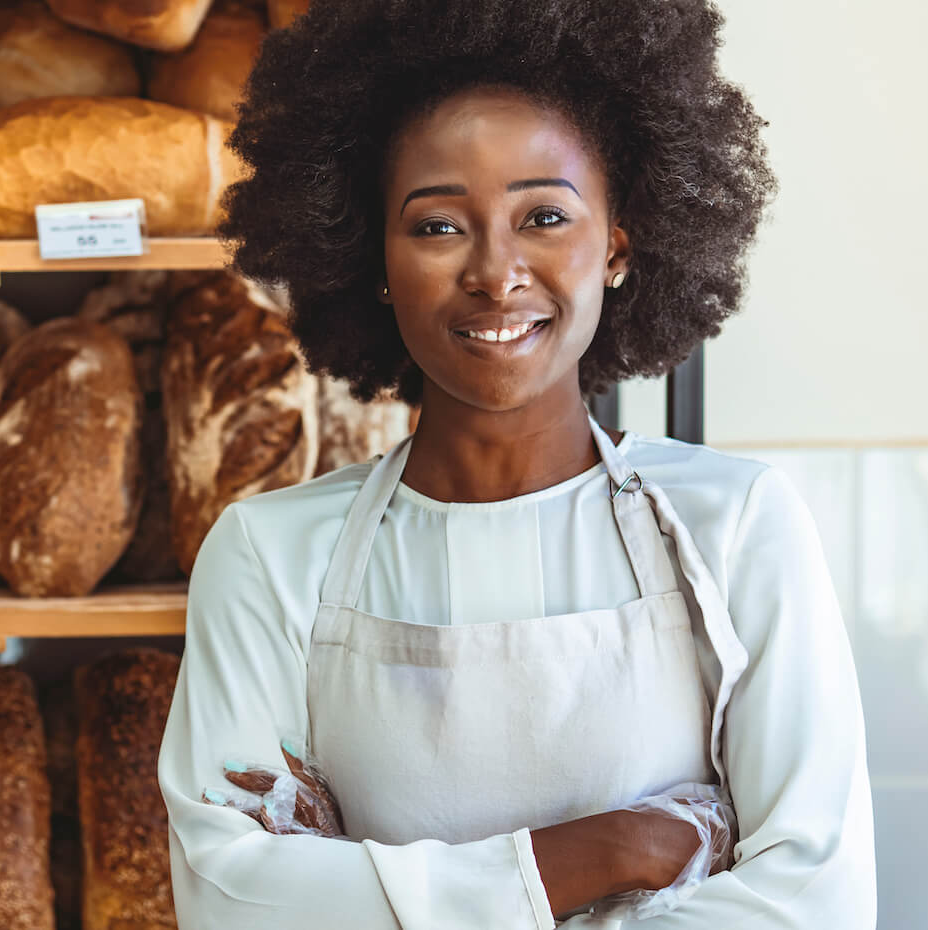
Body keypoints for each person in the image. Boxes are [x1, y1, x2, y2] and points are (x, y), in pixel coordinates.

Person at [155, 0, 877, 926]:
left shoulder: (736, 527)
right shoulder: (268, 555)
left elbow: (817, 902)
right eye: (437, 226)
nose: (497, 272)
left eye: (543, 215)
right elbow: (232, 901)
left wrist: (383, 895)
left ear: (617, 244)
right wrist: (603, 853)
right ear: (372, 259)